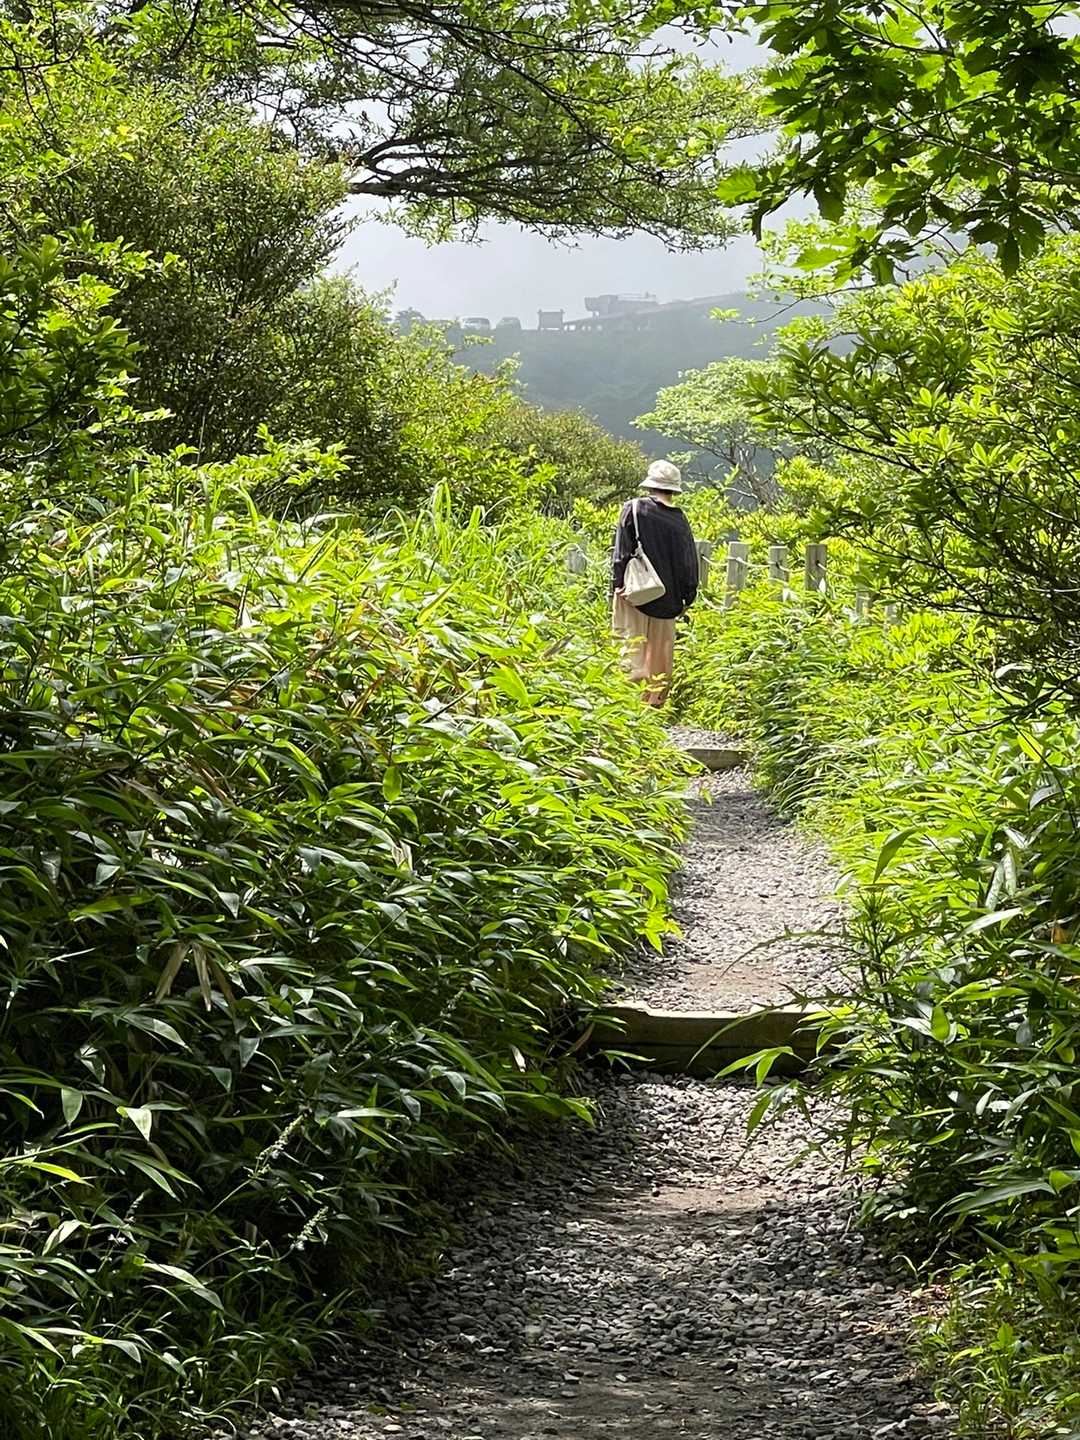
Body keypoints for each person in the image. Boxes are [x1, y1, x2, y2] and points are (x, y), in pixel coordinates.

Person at [611, 460, 698, 706]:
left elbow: (621, 553)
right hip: (668, 598)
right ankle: (654, 705)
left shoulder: (634, 509)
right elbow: (688, 562)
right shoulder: (679, 519)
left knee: (630, 648)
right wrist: (688, 596)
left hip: (633, 593)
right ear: (673, 489)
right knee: (660, 657)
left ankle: (627, 705)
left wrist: (617, 585)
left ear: (650, 485)